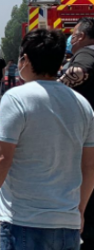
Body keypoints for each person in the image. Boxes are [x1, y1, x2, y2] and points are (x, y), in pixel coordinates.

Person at [0, 29, 94, 250]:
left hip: (25, 223)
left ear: (25, 59)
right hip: (68, 224)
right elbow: (89, 166)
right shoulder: (82, 104)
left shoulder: (16, 98)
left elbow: (0, 158)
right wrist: (80, 211)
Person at [59, 17, 94, 248]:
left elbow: (80, 71)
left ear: (80, 36)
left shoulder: (87, 52)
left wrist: (54, 87)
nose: (71, 39)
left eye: (73, 34)